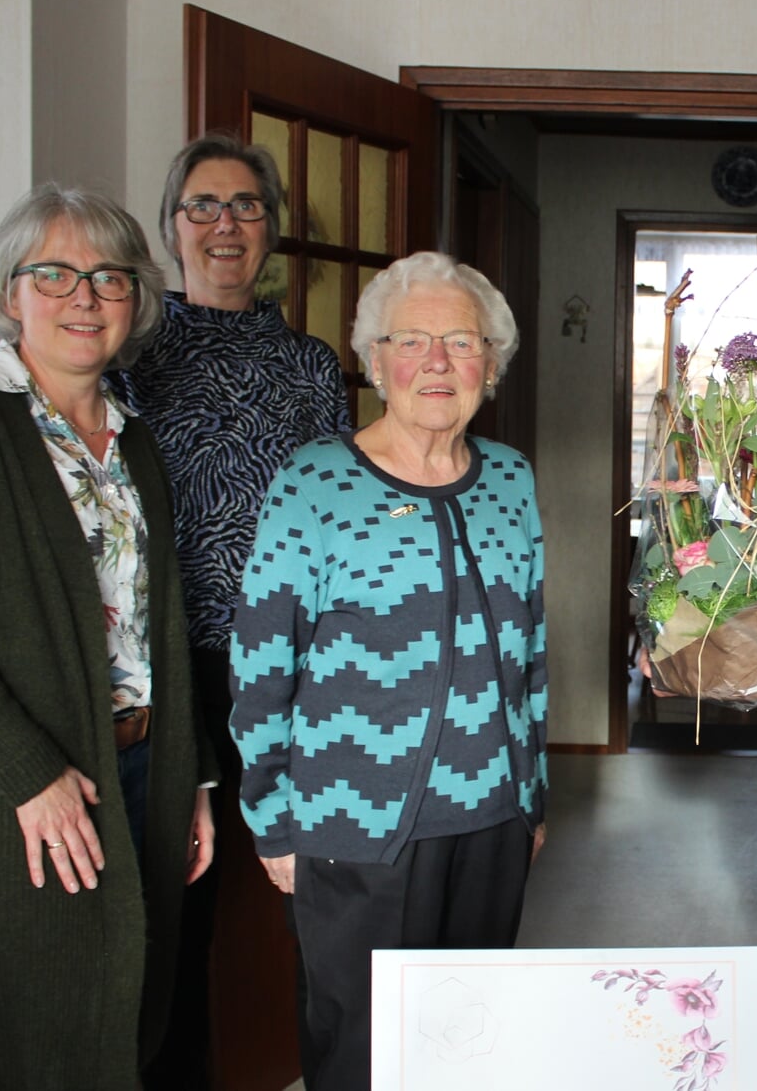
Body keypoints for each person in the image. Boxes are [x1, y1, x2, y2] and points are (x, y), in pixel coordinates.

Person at [0, 183, 216, 1088]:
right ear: (10, 291)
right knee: (35, 1038)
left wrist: (194, 776)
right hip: (10, 795)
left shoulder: (132, 441)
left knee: (130, 1017)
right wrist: (30, 774)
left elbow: (156, 625)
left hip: (136, 770)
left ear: (136, 298)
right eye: (53, 274)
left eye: (108, 276)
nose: (83, 297)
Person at [229, 251, 548, 1091]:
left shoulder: (512, 479)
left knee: (473, 1051)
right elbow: (262, 661)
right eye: (411, 340)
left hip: (492, 822)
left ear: (493, 361)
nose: (437, 361)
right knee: (365, 1056)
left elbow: (531, 653)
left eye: (462, 341)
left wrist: (533, 792)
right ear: (374, 361)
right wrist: (272, 816)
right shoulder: (314, 484)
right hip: (353, 830)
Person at [109, 131, 353, 1087]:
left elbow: (343, 517)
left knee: (320, 897)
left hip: (298, 669)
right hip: (173, 670)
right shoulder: (130, 353)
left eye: (246, 206)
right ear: (172, 227)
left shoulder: (310, 363)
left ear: (273, 229)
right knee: (181, 908)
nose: (225, 224)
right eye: (203, 206)